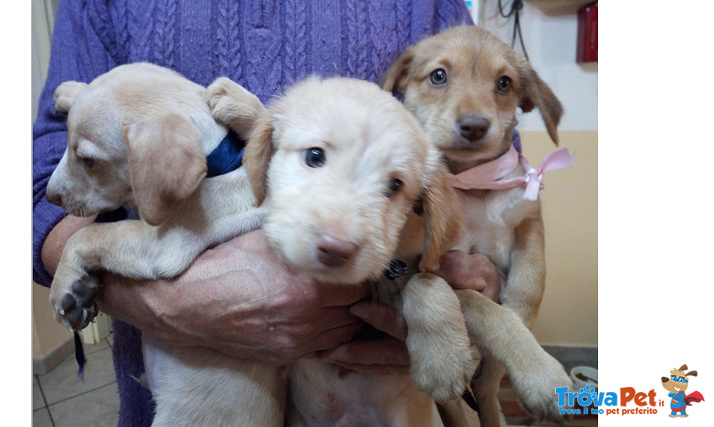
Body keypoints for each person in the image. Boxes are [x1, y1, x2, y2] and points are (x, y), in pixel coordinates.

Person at [33, 1, 500, 424]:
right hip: (192, 395)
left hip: (377, 390)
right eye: (314, 157)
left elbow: (491, 176)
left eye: (392, 185)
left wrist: (480, 281)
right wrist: (165, 302)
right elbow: (42, 183)